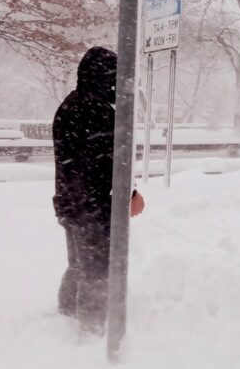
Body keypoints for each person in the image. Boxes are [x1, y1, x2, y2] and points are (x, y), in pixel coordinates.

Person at [52, 46, 145, 334]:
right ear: (103, 78)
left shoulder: (70, 105)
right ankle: (92, 331)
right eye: (114, 78)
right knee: (96, 269)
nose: (118, 86)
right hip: (91, 206)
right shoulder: (97, 111)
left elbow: (84, 162)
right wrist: (130, 193)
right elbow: (109, 163)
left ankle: (66, 315)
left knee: (79, 264)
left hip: (70, 203)